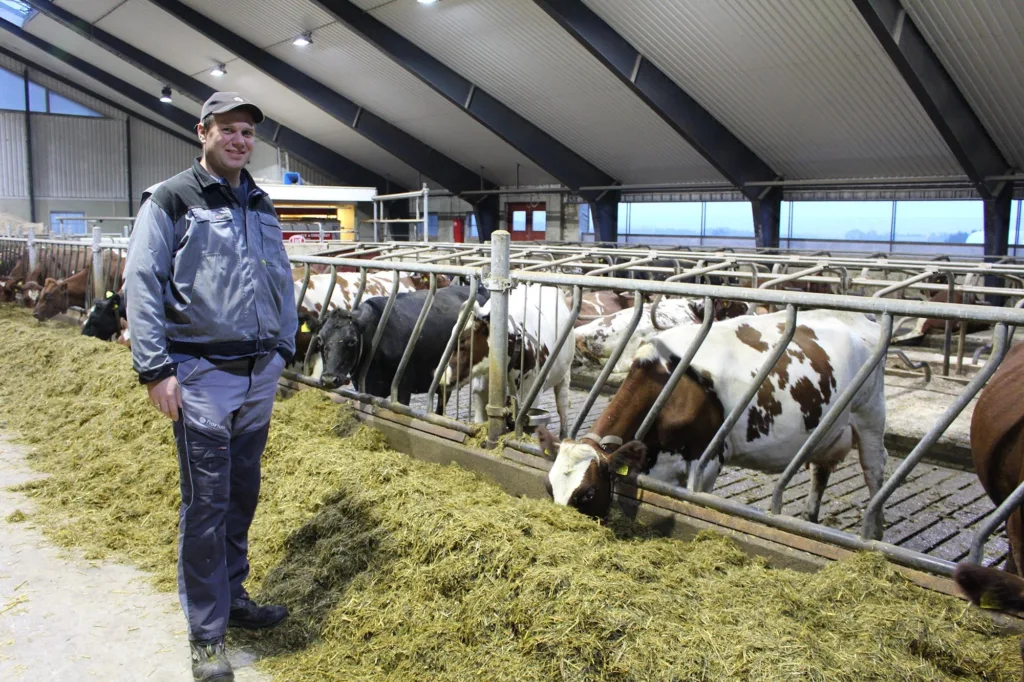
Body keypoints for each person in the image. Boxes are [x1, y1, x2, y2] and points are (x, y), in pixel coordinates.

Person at [124, 92, 298, 682]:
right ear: (203, 132)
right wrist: (155, 369)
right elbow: (142, 283)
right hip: (200, 375)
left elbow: (281, 279)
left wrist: (283, 346)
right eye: (229, 130)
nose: (240, 141)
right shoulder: (171, 199)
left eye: (248, 132)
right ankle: (206, 636)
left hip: (257, 375)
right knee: (206, 504)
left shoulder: (261, 201)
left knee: (242, 493)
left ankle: (234, 597)